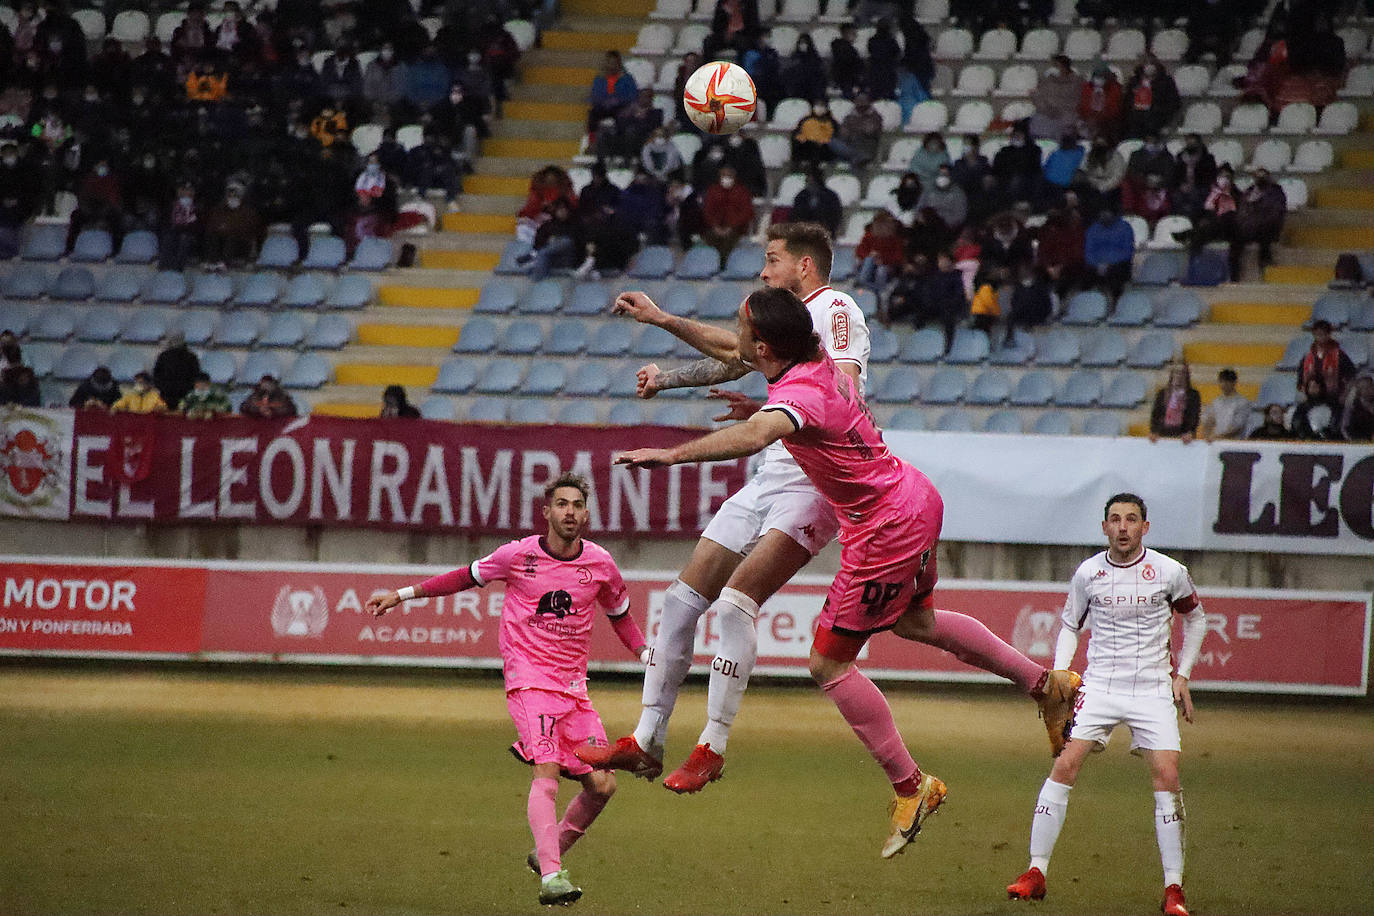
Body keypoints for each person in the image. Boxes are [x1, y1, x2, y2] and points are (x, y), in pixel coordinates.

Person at [600, 285, 1082, 857]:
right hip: (915, 498)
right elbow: (737, 357)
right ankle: (1046, 684)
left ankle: (912, 787)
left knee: (828, 663)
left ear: (765, 346)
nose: (736, 337)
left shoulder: (798, 388)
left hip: (882, 530)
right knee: (916, 622)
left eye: (743, 330)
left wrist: (671, 454)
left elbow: (757, 435)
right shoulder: (811, 364)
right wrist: (662, 319)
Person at [578, 222, 874, 793]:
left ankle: (711, 745)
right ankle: (645, 740)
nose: (764, 271)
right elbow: (739, 355)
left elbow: (839, 391)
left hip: (815, 480)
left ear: (805, 267)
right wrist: (664, 338)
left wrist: (776, 414)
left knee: (736, 604)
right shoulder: (779, 323)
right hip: (773, 470)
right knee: (682, 600)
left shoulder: (835, 309)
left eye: (772, 260)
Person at [365, 473, 649, 908]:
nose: (569, 512)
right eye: (561, 504)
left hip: (575, 691)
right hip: (529, 682)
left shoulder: (600, 564)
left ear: (587, 514)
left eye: (577, 505)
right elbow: (465, 576)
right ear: (547, 511)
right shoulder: (516, 556)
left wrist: (643, 652)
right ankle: (553, 877)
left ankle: (546, 854)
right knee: (547, 771)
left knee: (603, 785)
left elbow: (621, 616)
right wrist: (403, 594)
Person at [1006, 493, 1204, 916]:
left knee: (1167, 774)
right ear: (1104, 527)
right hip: (1099, 686)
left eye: (1131, 520)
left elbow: (1197, 618)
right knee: (1064, 764)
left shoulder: (1170, 572)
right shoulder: (1088, 573)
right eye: (1115, 520)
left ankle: (1174, 889)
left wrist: (1182, 674)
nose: (1123, 527)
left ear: (1144, 528)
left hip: (1152, 689)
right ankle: (1035, 872)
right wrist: (1060, 675)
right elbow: (1069, 626)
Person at [1229, 169, 1285, 282]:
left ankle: (1266, 267)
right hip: (1249, 228)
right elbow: (1242, 211)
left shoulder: (1276, 192)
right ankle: (1234, 276)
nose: (1260, 179)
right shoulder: (1249, 191)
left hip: (1266, 227)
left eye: (1263, 176)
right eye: (1258, 176)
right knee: (1235, 241)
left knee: (1266, 234)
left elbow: (1275, 214)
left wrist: (1256, 217)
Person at [700, 165, 754, 262]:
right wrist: (715, 227)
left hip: (736, 229)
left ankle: (724, 265)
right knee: (709, 240)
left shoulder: (742, 192)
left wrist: (731, 227)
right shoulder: (713, 191)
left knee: (728, 242)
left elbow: (747, 213)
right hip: (714, 229)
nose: (726, 179)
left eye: (729, 176)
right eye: (724, 176)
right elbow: (707, 211)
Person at [1297, 319, 1357, 405]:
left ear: (1329, 334)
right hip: (1311, 397)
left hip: (1334, 397)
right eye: (1317, 334)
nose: (1320, 337)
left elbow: (1352, 376)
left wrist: (1344, 394)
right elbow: (1300, 382)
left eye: (1323, 334)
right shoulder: (1307, 357)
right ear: (1314, 335)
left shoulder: (1339, 355)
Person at [1083, 208, 1135, 301]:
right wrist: (1097, 264)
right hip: (1096, 265)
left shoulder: (1125, 227)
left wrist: (1109, 264)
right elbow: (1088, 251)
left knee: (1116, 274)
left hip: (1118, 264)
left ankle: (1115, 303)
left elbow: (1127, 252)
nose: (1104, 215)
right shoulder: (1093, 229)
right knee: (1083, 273)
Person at [1149, 364, 1201, 443]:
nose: (1179, 376)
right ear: (1172, 375)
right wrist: (1154, 431)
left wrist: (1190, 431)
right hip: (1163, 434)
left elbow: (1194, 416)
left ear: (1187, 375)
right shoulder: (1162, 393)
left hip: (1184, 435)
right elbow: (1155, 414)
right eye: (1176, 373)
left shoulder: (1193, 395)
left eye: (1182, 373)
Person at [152, 332, 200, 414]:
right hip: (166, 395)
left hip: (185, 395)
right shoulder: (163, 356)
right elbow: (157, 375)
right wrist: (162, 387)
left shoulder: (191, 357)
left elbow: (195, 376)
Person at [1198, 368, 1252, 441]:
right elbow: (1209, 421)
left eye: (1227, 381)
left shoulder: (1242, 402)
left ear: (1234, 382)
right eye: (1221, 381)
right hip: (1216, 442)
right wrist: (1207, 437)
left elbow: (1237, 428)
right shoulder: (1216, 402)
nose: (1224, 384)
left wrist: (1218, 438)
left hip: (1235, 443)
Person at [1291, 376, 1342, 440]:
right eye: (1310, 387)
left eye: (1315, 386)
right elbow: (1297, 425)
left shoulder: (1332, 405)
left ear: (1321, 388)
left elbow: (1337, 424)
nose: (1313, 389)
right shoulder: (1302, 408)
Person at [1340, 372, 1374, 442]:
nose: (1367, 390)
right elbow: (1345, 428)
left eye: (1369, 387)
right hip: (1358, 441)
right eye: (1363, 388)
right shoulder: (1353, 406)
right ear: (1359, 390)